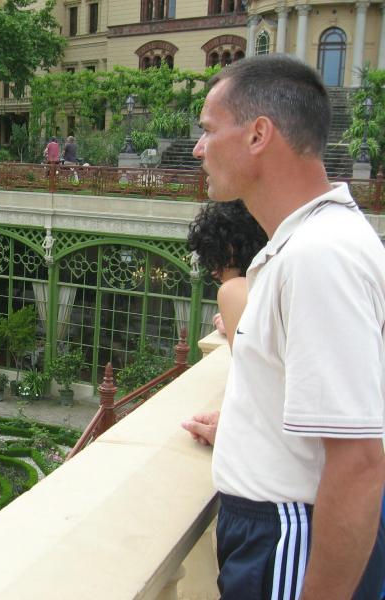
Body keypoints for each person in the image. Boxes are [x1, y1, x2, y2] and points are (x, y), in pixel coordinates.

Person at [181, 55, 385, 600]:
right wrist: (250, 428)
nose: (199, 149)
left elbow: (358, 462)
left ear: (258, 135)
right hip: (277, 530)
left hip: (288, 536)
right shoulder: (307, 244)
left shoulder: (319, 256)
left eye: (209, 130)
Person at [186, 200, 266, 349]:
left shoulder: (234, 290)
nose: (214, 272)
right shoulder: (273, 280)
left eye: (214, 260)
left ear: (229, 251)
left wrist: (233, 321)